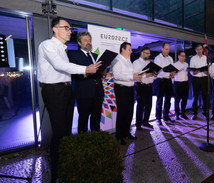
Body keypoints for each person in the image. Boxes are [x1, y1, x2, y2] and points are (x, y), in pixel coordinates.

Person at [37, 17, 101, 183]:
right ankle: (56, 173)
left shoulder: (63, 48)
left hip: (66, 89)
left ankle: (65, 165)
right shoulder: (47, 45)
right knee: (59, 132)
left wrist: (85, 72)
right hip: (54, 91)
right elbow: (59, 65)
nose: (69, 31)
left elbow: (66, 70)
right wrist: (85, 68)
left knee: (66, 132)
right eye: (66, 28)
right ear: (55, 29)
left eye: (70, 28)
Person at [68, 32, 104, 133]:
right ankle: (83, 144)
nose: (88, 43)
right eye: (85, 40)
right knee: (83, 120)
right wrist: (87, 72)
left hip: (98, 92)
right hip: (84, 94)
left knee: (96, 119)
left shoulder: (95, 55)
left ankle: (96, 140)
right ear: (79, 43)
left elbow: (97, 73)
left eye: (89, 40)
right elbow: (72, 74)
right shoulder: (74, 55)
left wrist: (102, 72)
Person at [111, 42, 142, 145]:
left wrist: (136, 76)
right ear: (123, 49)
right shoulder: (117, 60)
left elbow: (131, 74)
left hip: (130, 89)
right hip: (121, 89)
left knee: (129, 112)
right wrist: (131, 77)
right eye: (129, 49)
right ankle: (119, 136)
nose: (131, 51)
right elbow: (116, 75)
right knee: (122, 113)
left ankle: (126, 132)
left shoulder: (129, 61)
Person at [133, 46, 155, 130]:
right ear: (142, 53)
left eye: (149, 53)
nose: (148, 55)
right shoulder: (136, 62)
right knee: (141, 106)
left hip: (149, 85)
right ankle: (138, 124)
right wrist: (146, 75)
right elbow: (135, 75)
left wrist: (154, 75)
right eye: (147, 53)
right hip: (141, 86)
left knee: (149, 105)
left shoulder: (149, 63)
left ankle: (146, 122)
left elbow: (151, 76)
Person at [154, 42, 176, 124]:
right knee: (159, 100)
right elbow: (158, 72)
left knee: (168, 100)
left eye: (169, 49)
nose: (168, 51)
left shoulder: (170, 58)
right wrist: (168, 74)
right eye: (166, 49)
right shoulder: (157, 58)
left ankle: (166, 116)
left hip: (169, 81)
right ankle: (158, 118)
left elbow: (172, 70)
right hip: (161, 80)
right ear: (162, 49)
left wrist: (173, 75)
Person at [189, 44, 208, 120]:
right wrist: (193, 72)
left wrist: (207, 72)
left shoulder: (206, 58)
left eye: (200, 49)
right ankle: (194, 113)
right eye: (198, 49)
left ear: (203, 50)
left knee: (205, 96)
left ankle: (205, 113)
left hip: (204, 78)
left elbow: (208, 68)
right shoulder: (193, 58)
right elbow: (191, 69)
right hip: (196, 79)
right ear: (195, 50)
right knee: (195, 96)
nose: (199, 51)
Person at [173, 51, 189, 120]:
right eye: (182, 56)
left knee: (184, 99)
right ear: (178, 56)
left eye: (184, 56)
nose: (183, 57)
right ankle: (176, 114)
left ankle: (183, 113)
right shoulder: (175, 64)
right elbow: (172, 74)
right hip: (177, 83)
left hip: (185, 83)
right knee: (177, 100)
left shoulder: (186, 64)